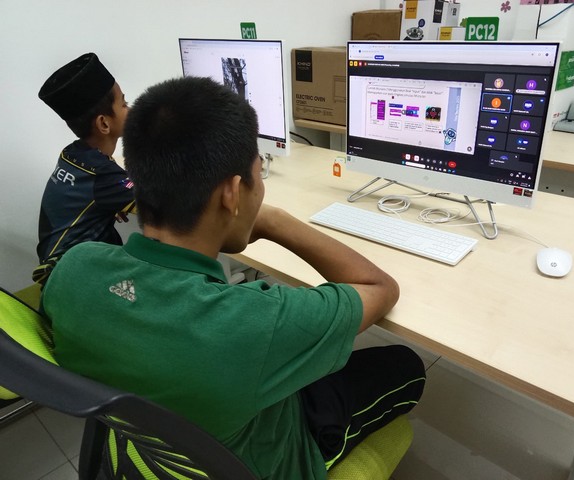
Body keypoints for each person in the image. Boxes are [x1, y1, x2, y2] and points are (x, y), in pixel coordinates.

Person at [42, 77, 426, 479]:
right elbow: (380, 288)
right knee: (405, 366)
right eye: (258, 176)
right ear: (232, 193)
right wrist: (274, 221)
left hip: (146, 457)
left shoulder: (73, 269)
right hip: (275, 457)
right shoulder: (255, 322)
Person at [33, 52, 135, 285]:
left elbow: (90, 193)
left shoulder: (71, 154)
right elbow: (164, 200)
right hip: (76, 281)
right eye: (124, 104)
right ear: (104, 123)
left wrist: (110, 200)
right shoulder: (103, 175)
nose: (130, 110)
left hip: (58, 272)